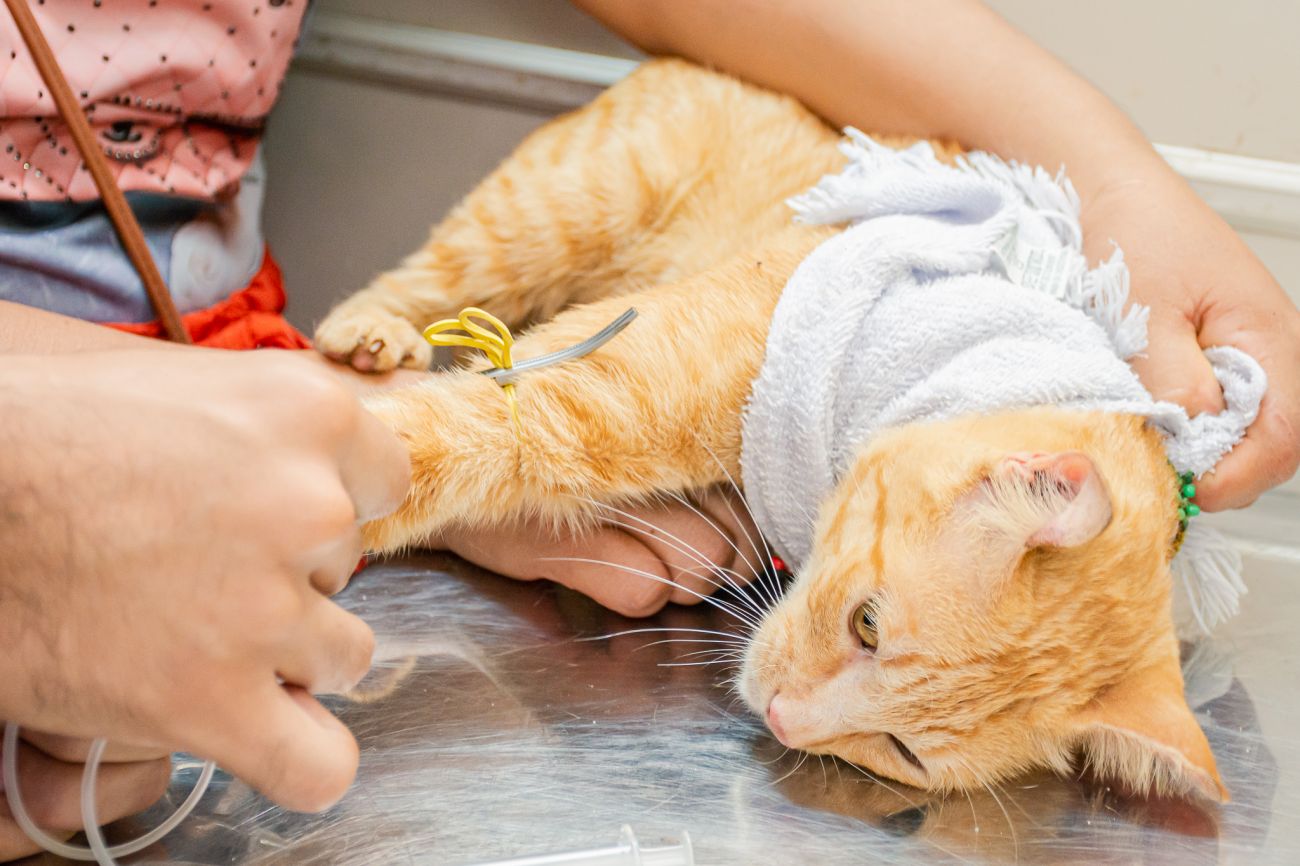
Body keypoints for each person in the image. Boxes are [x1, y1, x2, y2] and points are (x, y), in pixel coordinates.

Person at [1, 0, 1295, 857]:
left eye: (905, 748)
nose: (794, 721)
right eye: (861, 637)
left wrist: (1115, 176)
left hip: (228, 341)